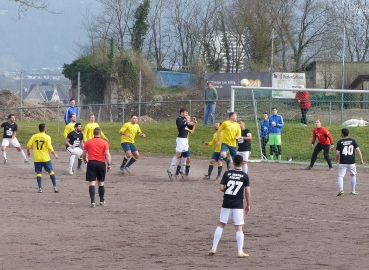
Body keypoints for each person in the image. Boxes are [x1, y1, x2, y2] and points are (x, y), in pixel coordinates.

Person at [208, 154, 251, 258]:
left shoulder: (227, 173)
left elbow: (221, 187)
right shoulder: (245, 176)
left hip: (227, 203)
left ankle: (214, 247)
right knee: (238, 227)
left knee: (221, 224)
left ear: (232, 161)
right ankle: (240, 251)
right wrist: (248, 204)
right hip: (238, 205)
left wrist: (226, 190)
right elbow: (248, 192)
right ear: (243, 163)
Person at [81, 128, 111, 208]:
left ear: (93, 133)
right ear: (100, 133)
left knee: (92, 183)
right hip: (101, 163)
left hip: (91, 163)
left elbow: (83, 154)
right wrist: (109, 164)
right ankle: (101, 200)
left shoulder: (88, 142)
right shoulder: (104, 142)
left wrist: (84, 160)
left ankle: (93, 202)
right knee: (101, 183)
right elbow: (107, 155)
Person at [26, 123, 59, 193]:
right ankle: (55, 187)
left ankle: (40, 188)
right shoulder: (47, 137)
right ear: (44, 129)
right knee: (51, 172)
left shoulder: (34, 136)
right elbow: (50, 147)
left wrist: (28, 151)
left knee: (39, 173)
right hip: (45, 158)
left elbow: (28, 145)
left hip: (37, 158)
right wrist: (54, 154)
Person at [167, 108, 197, 180]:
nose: (186, 114)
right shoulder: (179, 119)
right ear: (182, 113)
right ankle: (170, 170)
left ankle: (182, 170)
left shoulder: (184, 120)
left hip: (185, 140)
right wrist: (187, 122)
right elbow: (180, 127)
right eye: (185, 113)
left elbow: (190, 127)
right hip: (180, 139)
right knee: (178, 154)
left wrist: (193, 123)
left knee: (185, 155)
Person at [335, 128, 364, 196]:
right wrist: (361, 159)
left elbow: (337, 153)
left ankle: (341, 190)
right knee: (353, 175)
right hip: (351, 162)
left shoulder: (340, 142)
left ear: (342, 134)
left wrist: (336, 160)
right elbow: (358, 150)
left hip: (343, 162)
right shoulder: (353, 141)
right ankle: (353, 191)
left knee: (340, 176)